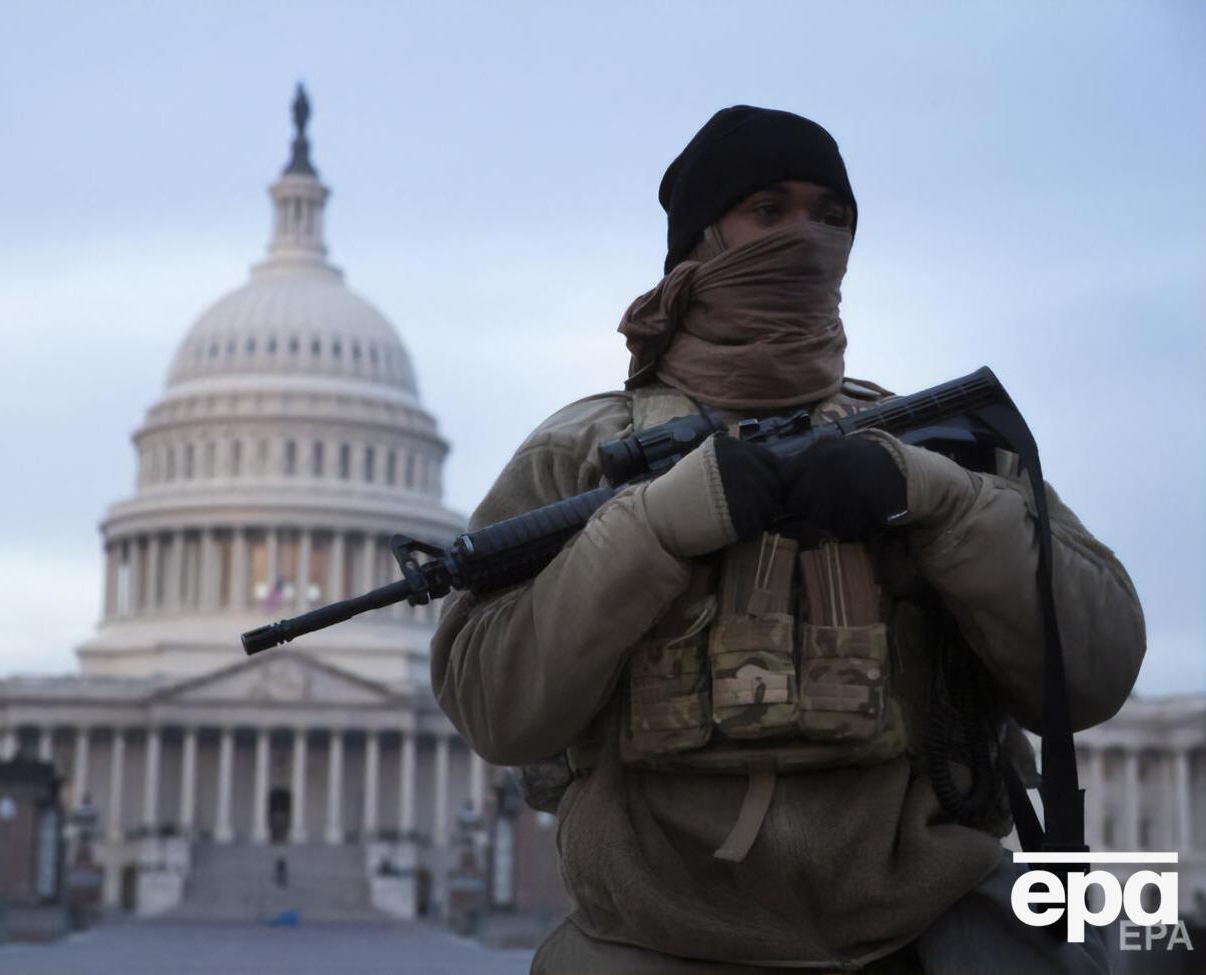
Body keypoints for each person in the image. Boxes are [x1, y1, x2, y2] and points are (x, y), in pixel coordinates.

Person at [430, 106, 1146, 974]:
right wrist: (653, 527)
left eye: (830, 215)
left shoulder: (935, 440)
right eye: (769, 211)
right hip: (660, 940)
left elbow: (1098, 669)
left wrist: (940, 504)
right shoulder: (582, 456)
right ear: (702, 241)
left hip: (924, 929)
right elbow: (493, 706)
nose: (806, 238)